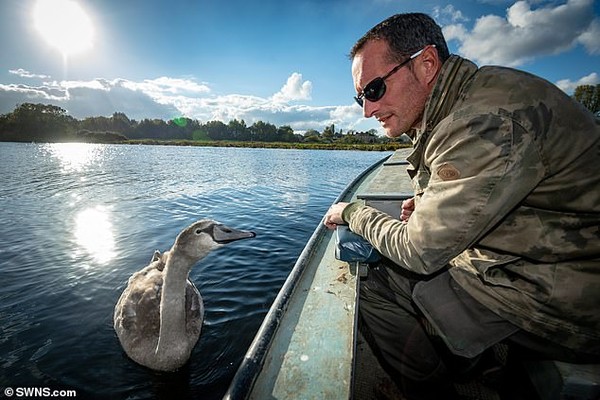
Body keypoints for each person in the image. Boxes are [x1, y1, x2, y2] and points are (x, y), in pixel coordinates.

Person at [324, 12, 600, 400]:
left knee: (372, 284)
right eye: (361, 97)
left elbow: (419, 252)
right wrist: (429, 204)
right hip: (542, 264)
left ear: (426, 64)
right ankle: (474, 363)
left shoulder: (482, 121)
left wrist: (353, 212)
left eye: (374, 90)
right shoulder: (472, 98)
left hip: (566, 303)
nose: (367, 111)